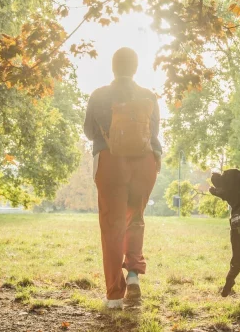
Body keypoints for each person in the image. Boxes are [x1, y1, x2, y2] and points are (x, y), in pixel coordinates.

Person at [83, 47, 162, 309]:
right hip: (144, 163)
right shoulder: (149, 95)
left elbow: (90, 132)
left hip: (110, 162)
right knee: (135, 218)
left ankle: (115, 296)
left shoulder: (99, 95)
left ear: (113, 67)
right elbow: (154, 132)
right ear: (136, 68)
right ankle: (133, 275)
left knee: (112, 225)